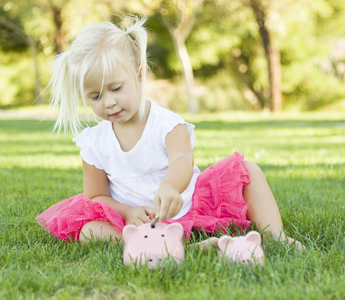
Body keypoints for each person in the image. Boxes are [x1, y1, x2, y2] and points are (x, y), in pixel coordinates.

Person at [36, 17, 303, 251]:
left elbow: (181, 161)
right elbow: (95, 196)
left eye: (116, 88)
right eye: (95, 96)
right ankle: (169, 245)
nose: (108, 102)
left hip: (187, 204)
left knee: (248, 170)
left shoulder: (166, 124)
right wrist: (128, 211)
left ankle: (277, 237)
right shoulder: (94, 143)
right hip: (136, 220)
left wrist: (169, 187)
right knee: (90, 232)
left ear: (139, 73)